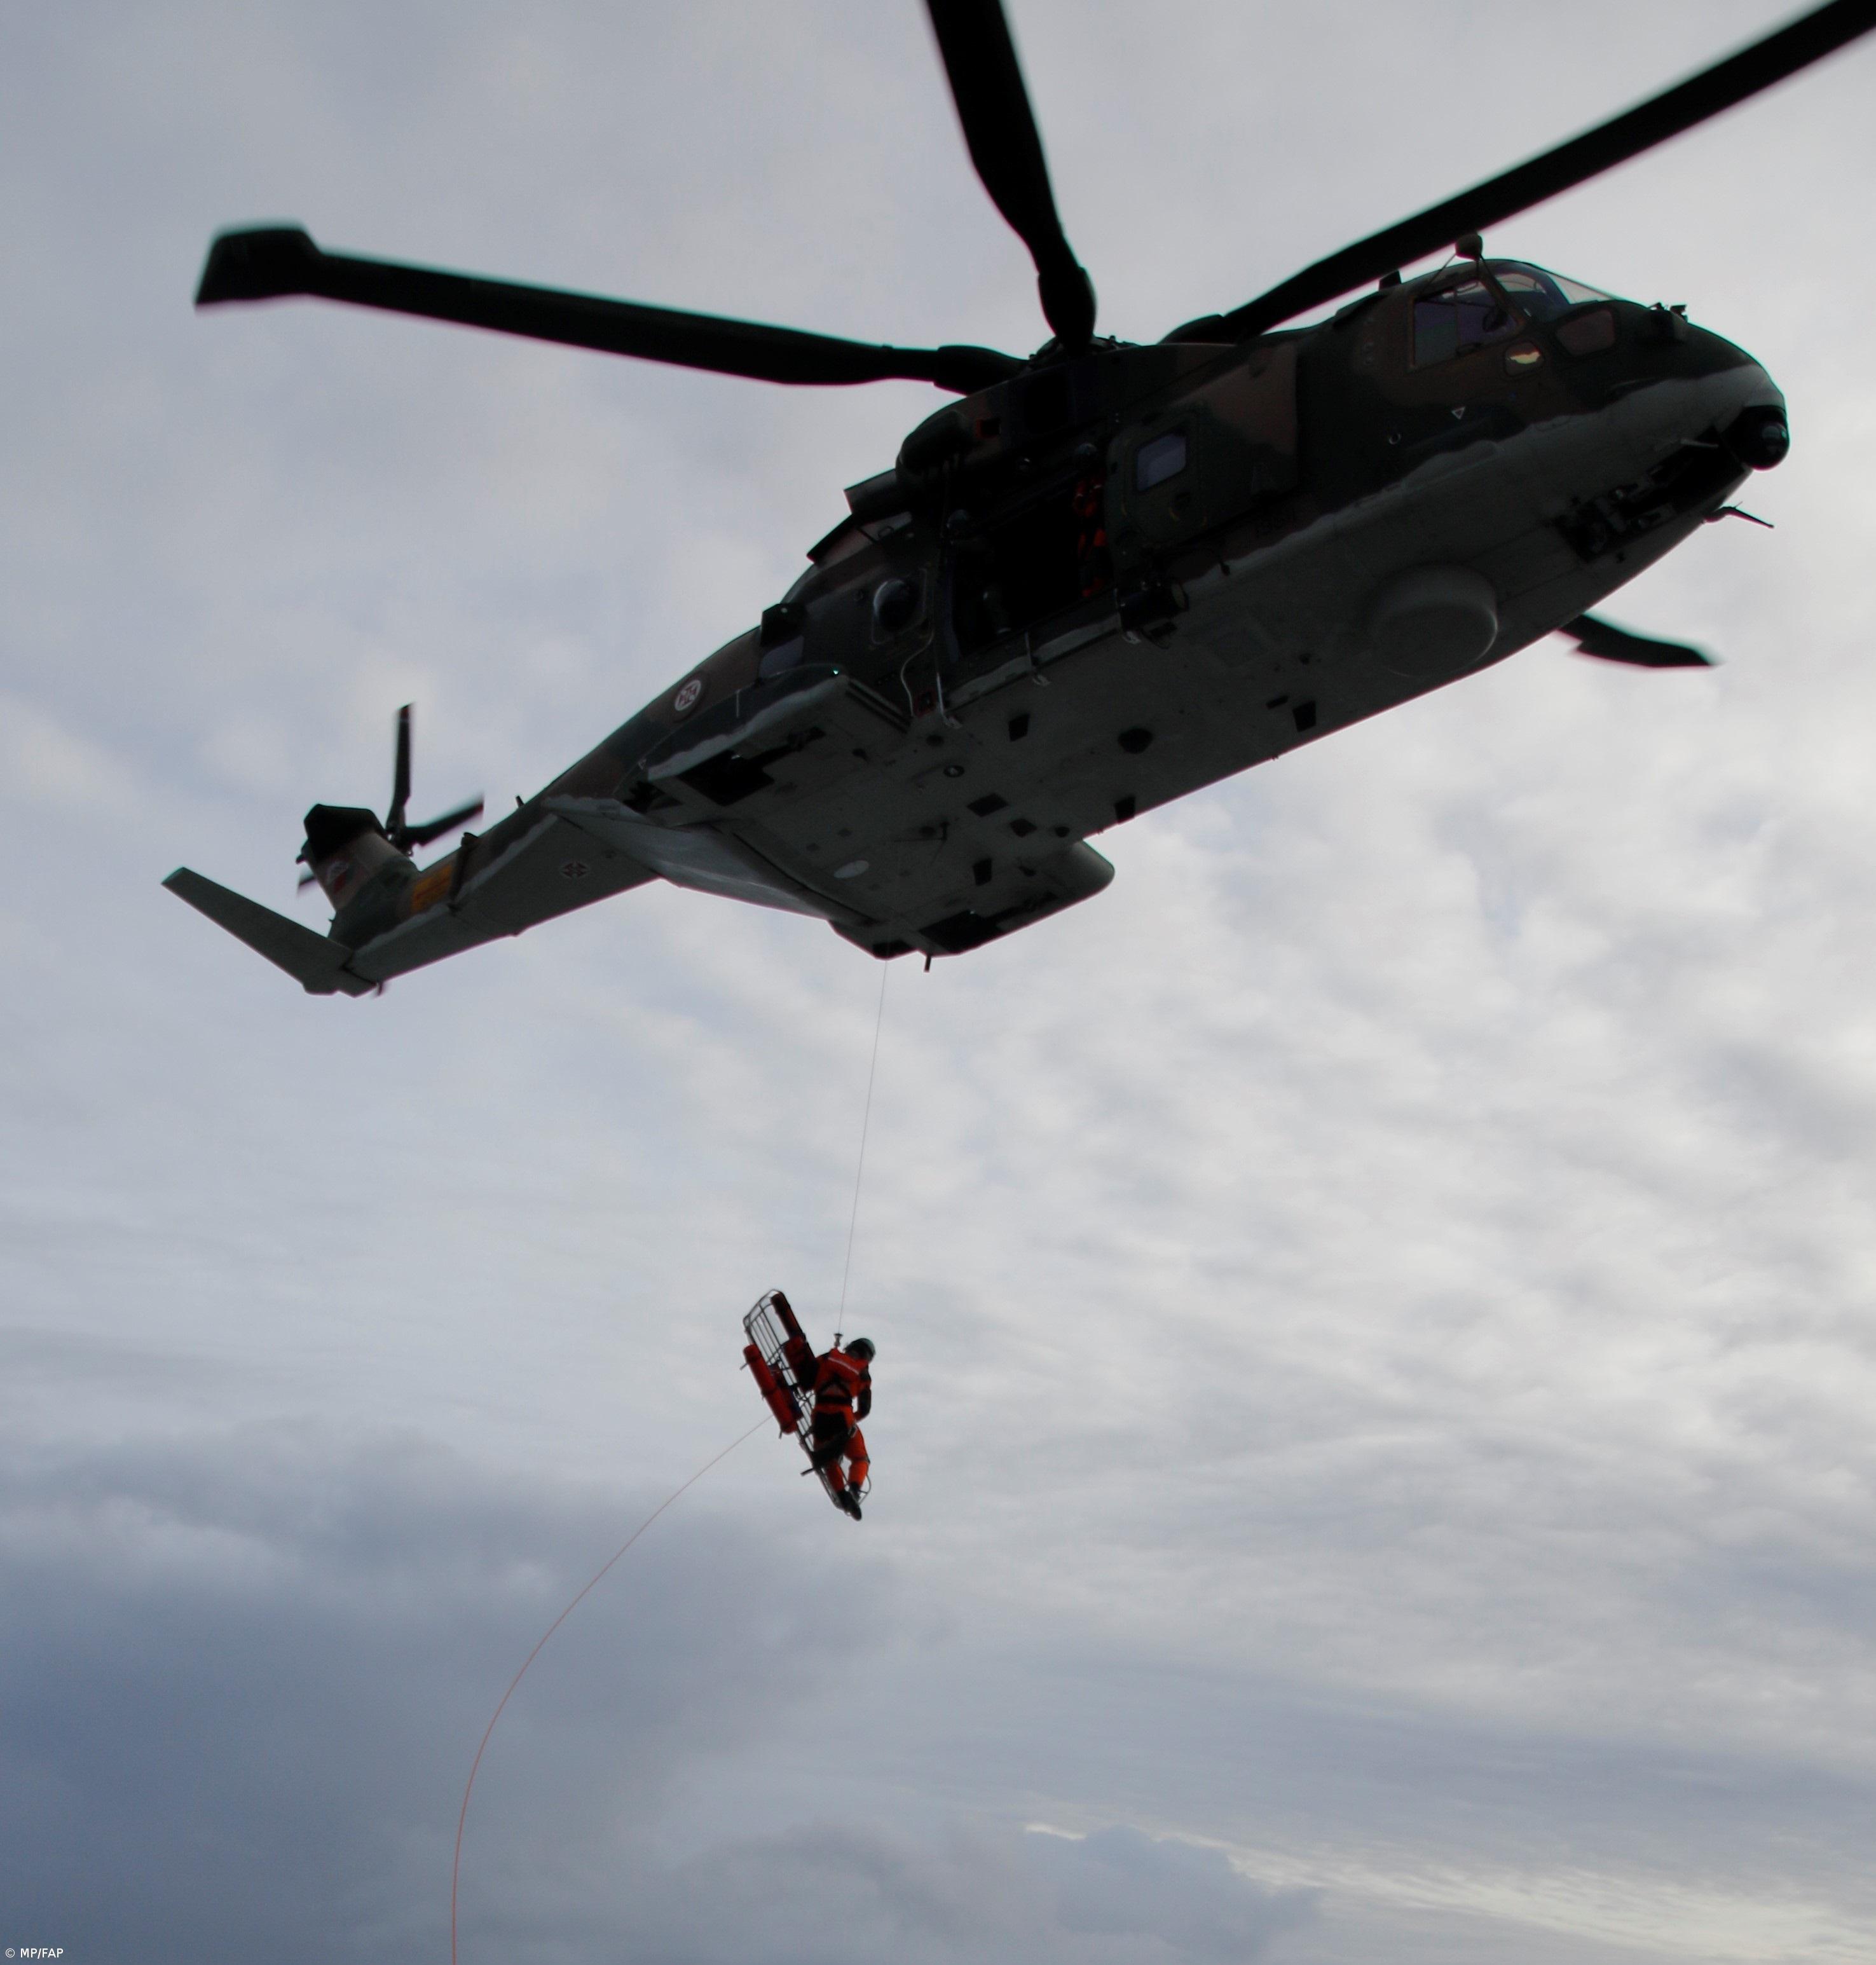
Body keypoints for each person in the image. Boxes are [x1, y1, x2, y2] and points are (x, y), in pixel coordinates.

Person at [809, 1336, 873, 1519]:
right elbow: (865, 1408)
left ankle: (841, 1495)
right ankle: (853, 1490)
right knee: (861, 1458)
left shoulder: (828, 1358)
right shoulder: (863, 1373)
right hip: (844, 1417)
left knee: (827, 1458)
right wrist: (853, 1419)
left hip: (819, 1415)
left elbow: (806, 1376)